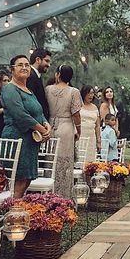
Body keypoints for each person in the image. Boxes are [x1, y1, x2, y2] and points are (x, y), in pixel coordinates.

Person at [2, 55, 51, 197]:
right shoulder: (9, 89)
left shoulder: (29, 90)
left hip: (30, 141)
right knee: (18, 180)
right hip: (16, 138)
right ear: (12, 69)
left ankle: (18, 211)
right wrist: (42, 130)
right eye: (20, 65)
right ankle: (13, 213)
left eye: (27, 65)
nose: (24, 67)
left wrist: (46, 124)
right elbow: (20, 115)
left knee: (27, 180)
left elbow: (38, 111)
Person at [45, 64, 82, 199]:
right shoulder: (74, 91)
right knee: (64, 163)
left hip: (50, 124)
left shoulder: (48, 89)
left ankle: (49, 194)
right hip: (66, 126)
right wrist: (79, 130)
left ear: (57, 74)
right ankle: (64, 196)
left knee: (51, 161)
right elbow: (76, 114)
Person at [26, 48, 51, 120]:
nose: (48, 65)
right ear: (37, 60)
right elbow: (30, 103)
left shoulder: (36, 76)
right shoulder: (30, 76)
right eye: (46, 61)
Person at [79, 85, 101, 162]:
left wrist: (98, 141)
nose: (90, 96)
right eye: (88, 93)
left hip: (91, 136)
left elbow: (97, 126)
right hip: (80, 134)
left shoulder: (95, 107)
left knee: (89, 160)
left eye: (92, 93)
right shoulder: (78, 105)